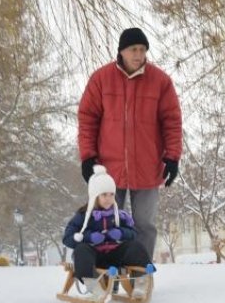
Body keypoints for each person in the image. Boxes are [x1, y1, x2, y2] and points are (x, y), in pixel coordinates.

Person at [77, 27, 183, 260]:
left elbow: (172, 122)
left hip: (147, 167)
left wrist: (172, 157)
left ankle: (139, 271)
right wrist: (87, 156)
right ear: (122, 51)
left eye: (143, 50)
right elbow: (87, 119)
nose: (138, 54)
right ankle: (109, 271)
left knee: (144, 223)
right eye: (133, 49)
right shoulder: (101, 79)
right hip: (109, 170)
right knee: (107, 221)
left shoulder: (161, 82)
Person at [62, 165, 154, 300]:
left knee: (135, 246)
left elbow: (133, 233)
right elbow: (67, 238)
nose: (109, 198)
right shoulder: (83, 215)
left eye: (112, 194)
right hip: (93, 257)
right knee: (81, 250)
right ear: (95, 195)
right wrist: (88, 237)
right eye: (104, 195)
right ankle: (93, 286)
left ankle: (141, 282)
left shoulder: (119, 215)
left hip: (114, 256)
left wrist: (121, 233)